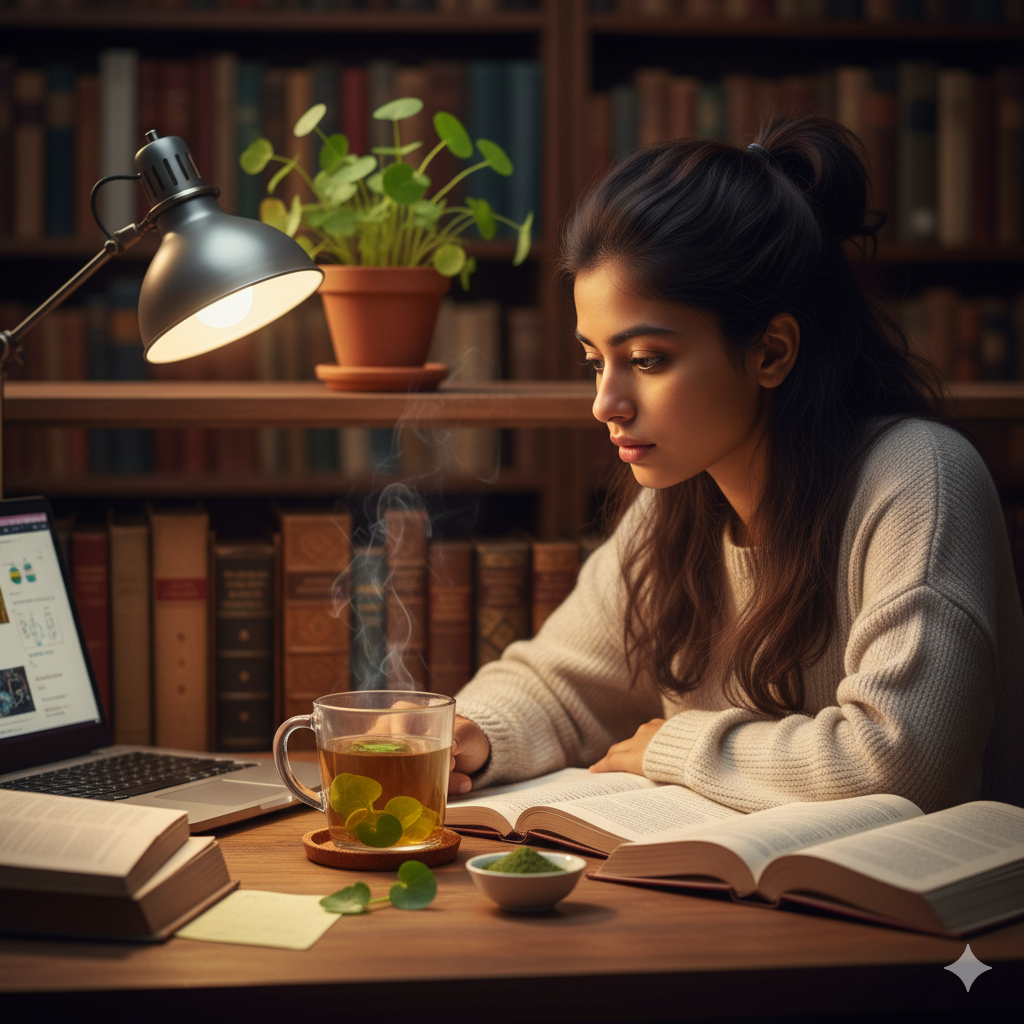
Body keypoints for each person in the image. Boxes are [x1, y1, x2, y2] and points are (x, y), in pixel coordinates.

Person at [447, 117, 1024, 815]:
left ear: (772, 351)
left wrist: (677, 747)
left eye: (647, 360)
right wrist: (474, 733)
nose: (606, 404)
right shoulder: (675, 501)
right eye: (594, 361)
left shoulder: (918, 478)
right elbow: (563, 684)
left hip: (918, 915)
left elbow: (903, 757)